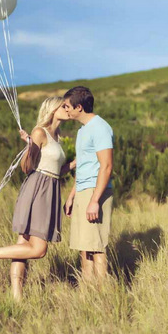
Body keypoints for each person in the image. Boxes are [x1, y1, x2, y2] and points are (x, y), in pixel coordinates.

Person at [0, 96, 75, 300]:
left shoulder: (57, 136)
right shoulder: (40, 132)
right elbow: (26, 167)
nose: (68, 109)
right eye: (64, 106)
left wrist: (74, 164)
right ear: (53, 109)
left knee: (22, 245)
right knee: (39, 250)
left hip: (50, 189)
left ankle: (16, 299)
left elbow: (55, 169)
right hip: (38, 190)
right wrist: (30, 146)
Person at [62, 86, 113, 282]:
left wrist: (94, 200)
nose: (65, 110)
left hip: (95, 191)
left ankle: (102, 297)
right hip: (84, 191)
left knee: (97, 246)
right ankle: (87, 294)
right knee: (85, 247)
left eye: (67, 106)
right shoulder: (83, 131)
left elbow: (106, 166)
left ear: (79, 107)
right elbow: (83, 166)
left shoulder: (100, 127)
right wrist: (72, 196)